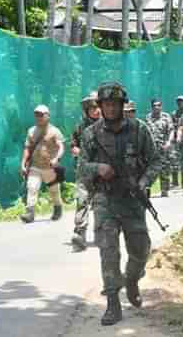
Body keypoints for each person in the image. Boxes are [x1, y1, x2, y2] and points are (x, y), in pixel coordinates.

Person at [77, 81, 160, 326]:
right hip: (105, 201)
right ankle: (113, 303)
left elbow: (156, 161)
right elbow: (80, 168)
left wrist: (144, 182)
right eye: (106, 104)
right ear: (100, 106)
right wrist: (98, 168)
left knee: (141, 250)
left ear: (122, 105)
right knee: (108, 252)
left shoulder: (139, 130)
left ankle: (132, 279)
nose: (111, 108)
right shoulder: (91, 134)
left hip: (133, 201)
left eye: (115, 104)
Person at [19, 105, 65, 224]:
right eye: (37, 115)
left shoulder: (55, 131)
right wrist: (23, 163)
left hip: (50, 167)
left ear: (48, 116)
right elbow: (27, 148)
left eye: (41, 114)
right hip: (35, 166)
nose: (39, 117)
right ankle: (30, 213)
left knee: (54, 191)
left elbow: (61, 147)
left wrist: (57, 158)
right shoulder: (31, 131)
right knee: (32, 187)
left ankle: (57, 208)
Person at [70, 93, 101, 251]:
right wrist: (77, 150)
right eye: (92, 108)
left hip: (103, 173)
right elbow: (73, 145)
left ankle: (102, 234)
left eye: (98, 107)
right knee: (82, 201)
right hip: (84, 171)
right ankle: (80, 235)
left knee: (101, 204)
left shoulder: (109, 125)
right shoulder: (81, 126)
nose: (96, 110)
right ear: (87, 110)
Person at [145, 100, 174, 198]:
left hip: (163, 146)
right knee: (150, 169)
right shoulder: (148, 117)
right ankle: (147, 189)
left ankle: (164, 190)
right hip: (152, 147)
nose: (157, 107)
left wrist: (169, 142)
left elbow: (171, 130)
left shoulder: (166, 117)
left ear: (161, 106)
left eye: (159, 105)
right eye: (154, 106)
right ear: (152, 107)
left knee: (165, 168)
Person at [171, 96, 183, 188]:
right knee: (174, 160)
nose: (180, 103)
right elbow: (172, 126)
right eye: (178, 101)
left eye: (182, 101)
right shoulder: (174, 113)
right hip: (176, 140)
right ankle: (175, 182)